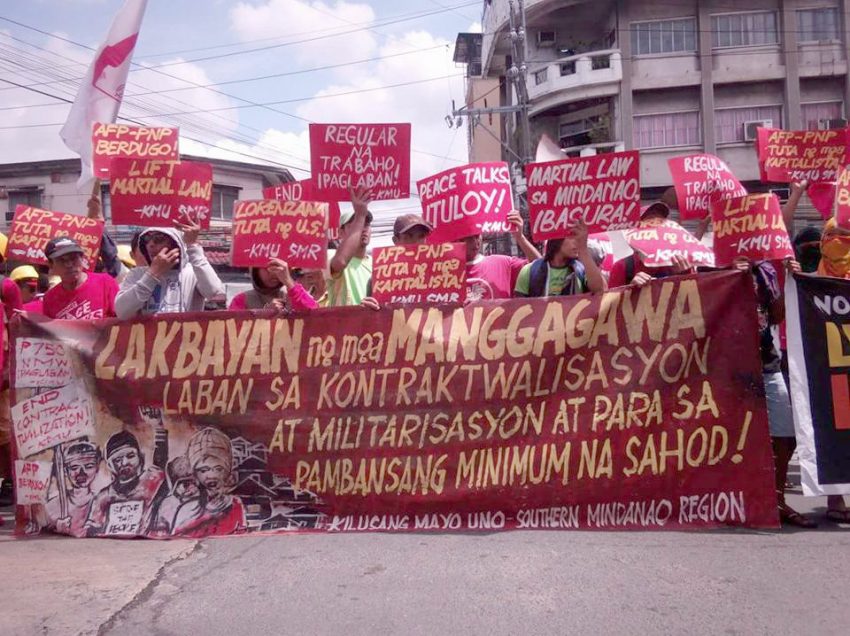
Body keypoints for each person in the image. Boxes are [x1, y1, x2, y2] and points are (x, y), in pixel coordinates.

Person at [732, 256, 816, 527]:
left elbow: (777, 316)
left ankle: (776, 499)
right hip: (731, 367)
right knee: (735, 438)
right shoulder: (716, 265)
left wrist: (789, 280)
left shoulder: (767, 271)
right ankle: (740, 499)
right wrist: (732, 276)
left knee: (785, 434)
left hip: (767, 363)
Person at [115, 213, 224, 317]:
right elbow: (122, 312)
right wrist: (151, 275)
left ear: (175, 244)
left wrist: (193, 246)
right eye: (147, 240)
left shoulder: (192, 272)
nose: (151, 245)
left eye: (158, 239)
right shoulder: (138, 274)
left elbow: (213, 292)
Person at [85, 430, 167, 536]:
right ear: (109, 465)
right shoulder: (103, 497)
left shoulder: (151, 481)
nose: (124, 463)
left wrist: (158, 427)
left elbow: (160, 460)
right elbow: (93, 530)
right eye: (117, 460)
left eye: (130, 456)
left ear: (140, 456)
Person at [172, 427, 246, 538]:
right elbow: (179, 535)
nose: (211, 475)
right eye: (204, 470)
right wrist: (207, 515)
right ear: (194, 473)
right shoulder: (187, 506)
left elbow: (241, 535)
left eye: (218, 469)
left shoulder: (234, 504)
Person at [608, 202, 694, 287]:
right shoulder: (622, 267)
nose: (655, 227)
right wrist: (631, 289)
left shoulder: (680, 261)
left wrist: (684, 276)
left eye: (660, 222)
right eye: (649, 222)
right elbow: (610, 299)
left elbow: (696, 296)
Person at [360, 213, 434, 310]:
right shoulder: (379, 281)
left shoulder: (442, 275)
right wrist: (366, 310)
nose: (416, 243)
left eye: (421, 236)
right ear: (395, 240)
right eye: (408, 237)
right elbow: (373, 321)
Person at [463, 210, 541, 302]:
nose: (476, 242)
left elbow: (541, 269)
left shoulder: (503, 264)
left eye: (477, 236)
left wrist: (520, 237)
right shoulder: (445, 273)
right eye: (469, 237)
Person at [515, 220, 607, 297]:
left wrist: (583, 248)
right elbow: (520, 309)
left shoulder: (582, 270)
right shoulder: (529, 271)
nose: (577, 242)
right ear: (557, 238)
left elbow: (600, 291)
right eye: (572, 236)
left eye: (579, 238)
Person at [42, 237, 119, 320]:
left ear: (82, 258)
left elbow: (122, 321)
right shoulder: (50, 299)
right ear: (50, 265)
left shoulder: (105, 282)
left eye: (73, 258)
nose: (69, 264)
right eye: (62, 260)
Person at [44, 441, 102, 537]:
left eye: (89, 466)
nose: (81, 472)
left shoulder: (101, 501)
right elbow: (43, 525)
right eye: (74, 467)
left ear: (97, 468)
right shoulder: (53, 505)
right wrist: (57, 526)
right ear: (66, 471)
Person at [327, 187, 373, 307]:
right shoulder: (331, 255)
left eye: (366, 224)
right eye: (356, 224)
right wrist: (360, 215)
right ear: (341, 232)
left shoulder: (378, 264)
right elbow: (340, 262)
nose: (363, 228)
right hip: (344, 325)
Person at [229, 258, 318, 312]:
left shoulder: (294, 294)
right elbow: (233, 333)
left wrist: (289, 282)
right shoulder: (242, 300)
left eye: (277, 268)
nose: (273, 274)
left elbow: (315, 315)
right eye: (267, 269)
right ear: (255, 271)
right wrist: (263, 315)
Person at [150, 455, 200, 536]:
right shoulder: (168, 503)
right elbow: (160, 529)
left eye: (193, 482)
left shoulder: (206, 500)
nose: (191, 488)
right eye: (185, 484)